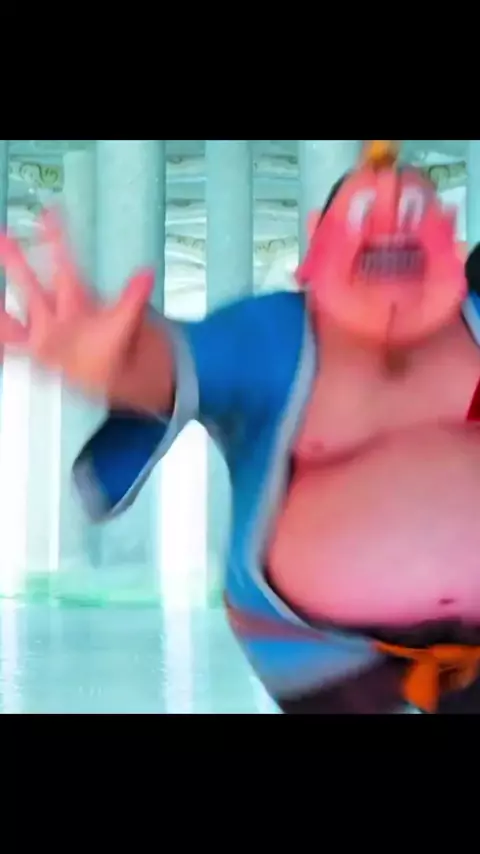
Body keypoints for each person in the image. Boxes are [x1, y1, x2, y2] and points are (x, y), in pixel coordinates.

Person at [1, 139, 480, 714]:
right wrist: (119, 361)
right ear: (314, 248)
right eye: (362, 213)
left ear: (451, 240)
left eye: (414, 211)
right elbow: (184, 363)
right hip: (328, 666)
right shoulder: (277, 335)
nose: (389, 224)